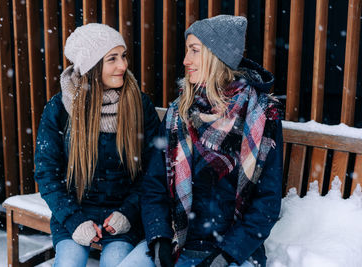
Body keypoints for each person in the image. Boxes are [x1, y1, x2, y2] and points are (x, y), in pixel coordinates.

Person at [141, 15, 283, 267]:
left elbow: (266, 203)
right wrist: (160, 238)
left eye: (194, 51)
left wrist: (226, 255)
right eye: (187, 51)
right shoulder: (179, 113)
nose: (185, 61)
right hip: (179, 241)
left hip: (235, 251)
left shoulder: (261, 117)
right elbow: (154, 186)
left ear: (218, 57)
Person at [34, 23, 159, 267]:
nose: (123, 66)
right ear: (91, 66)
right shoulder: (60, 109)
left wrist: (128, 213)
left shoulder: (139, 105)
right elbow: (47, 172)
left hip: (123, 217)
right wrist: (73, 220)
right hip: (74, 212)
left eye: (123, 56)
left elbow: (153, 172)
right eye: (112, 59)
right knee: (68, 263)